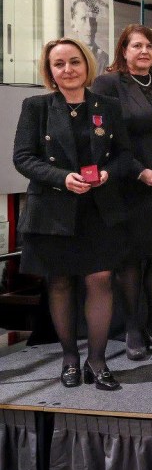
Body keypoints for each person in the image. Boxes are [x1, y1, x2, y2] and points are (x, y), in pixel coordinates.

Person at [13, 37, 132, 390]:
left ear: (86, 65)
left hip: (100, 209)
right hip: (53, 210)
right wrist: (63, 178)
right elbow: (23, 158)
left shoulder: (107, 106)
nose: (68, 69)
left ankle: (97, 361)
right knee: (61, 282)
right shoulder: (36, 106)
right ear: (50, 71)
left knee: (100, 280)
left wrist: (110, 172)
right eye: (59, 64)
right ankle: (69, 359)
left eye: (74, 62)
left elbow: (125, 155)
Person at [92, 24, 152, 360]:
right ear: (124, 50)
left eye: (149, 46)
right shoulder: (108, 84)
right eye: (136, 46)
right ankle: (132, 328)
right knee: (130, 262)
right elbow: (105, 139)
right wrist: (140, 172)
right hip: (127, 186)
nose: (143, 51)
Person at [68, 0, 109, 72]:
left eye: (92, 20)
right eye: (83, 19)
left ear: (96, 25)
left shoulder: (104, 59)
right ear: (73, 24)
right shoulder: (64, 55)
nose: (89, 27)